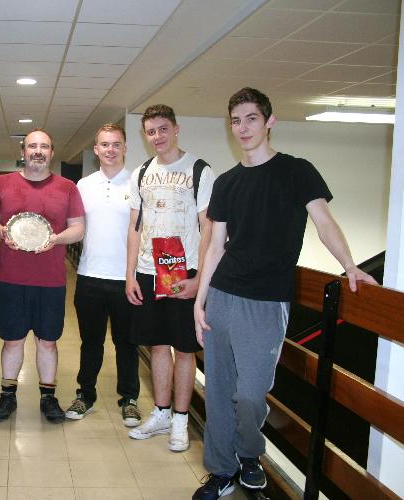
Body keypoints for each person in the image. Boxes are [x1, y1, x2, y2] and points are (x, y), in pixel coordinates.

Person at [192, 88, 377, 499]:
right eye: (236, 121)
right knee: (219, 391)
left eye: (251, 118)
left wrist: (349, 266)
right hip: (222, 296)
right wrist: (200, 302)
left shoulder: (297, 171)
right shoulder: (226, 182)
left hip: (267, 302)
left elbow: (324, 223)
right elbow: (216, 246)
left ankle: (249, 453)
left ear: (269, 121)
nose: (243, 128)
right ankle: (221, 471)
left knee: (250, 394)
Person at [125, 104, 215, 453]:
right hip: (149, 271)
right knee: (158, 345)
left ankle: (181, 419)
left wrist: (200, 279)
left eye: (163, 129)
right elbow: (135, 228)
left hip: (184, 271)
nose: (157, 136)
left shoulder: (199, 170)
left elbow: (209, 229)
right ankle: (161, 413)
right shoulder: (141, 172)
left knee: (185, 348)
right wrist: (130, 275)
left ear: (176, 129)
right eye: (151, 131)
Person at [0, 128, 85, 423]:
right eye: (32, 146)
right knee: (12, 340)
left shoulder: (68, 188)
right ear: (23, 152)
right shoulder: (2, 184)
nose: (38, 151)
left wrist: (56, 239)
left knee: (48, 342)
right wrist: (4, 233)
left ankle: (48, 398)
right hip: (11, 278)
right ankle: (7, 396)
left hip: (51, 280)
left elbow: (78, 229)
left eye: (44, 146)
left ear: (51, 152)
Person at [65, 123, 141, 427]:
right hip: (89, 277)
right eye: (105, 144)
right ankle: (85, 394)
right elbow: (73, 226)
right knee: (91, 342)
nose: (110, 150)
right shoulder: (83, 185)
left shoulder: (137, 183)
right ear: (96, 149)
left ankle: (129, 399)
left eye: (116, 144)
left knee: (127, 343)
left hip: (126, 279)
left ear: (124, 148)